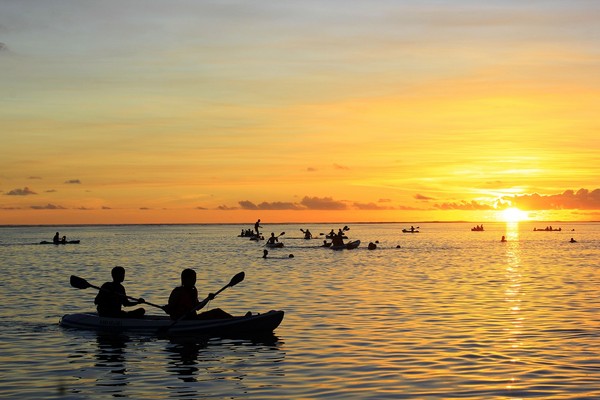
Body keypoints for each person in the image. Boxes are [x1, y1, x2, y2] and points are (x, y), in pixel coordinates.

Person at [167, 268, 232, 321]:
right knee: (217, 312)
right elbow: (170, 309)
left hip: (193, 319)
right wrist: (170, 309)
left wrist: (208, 298)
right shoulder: (177, 292)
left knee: (217, 312)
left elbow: (198, 307)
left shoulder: (192, 291)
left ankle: (233, 319)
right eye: (192, 279)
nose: (194, 281)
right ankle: (233, 320)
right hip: (182, 320)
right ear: (185, 280)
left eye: (195, 278)